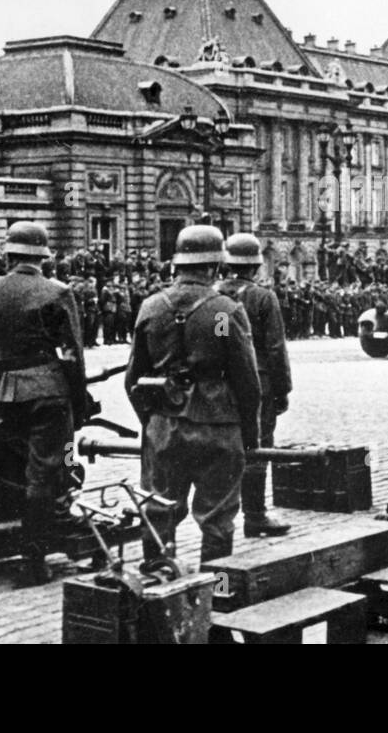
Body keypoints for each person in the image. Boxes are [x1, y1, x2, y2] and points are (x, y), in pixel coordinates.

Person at [125, 225, 260, 568]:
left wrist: (152, 421)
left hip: (164, 426)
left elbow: (132, 378)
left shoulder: (151, 307)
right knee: (218, 517)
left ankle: (156, 585)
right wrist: (250, 435)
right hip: (219, 426)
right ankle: (218, 593)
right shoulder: (223, 311)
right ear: (215, 266)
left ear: (177, 265)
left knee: (157, 509)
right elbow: (246, 379)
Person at [0, 221, 87, 587]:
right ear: (43, 258)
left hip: (6, 393)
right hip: (49, 391)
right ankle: (34, 562)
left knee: (15, 465)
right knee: (43, 474)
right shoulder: (58, 291)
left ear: (9, 255)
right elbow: (74, 355)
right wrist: (77, 405)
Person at [216, 232, 292, 537]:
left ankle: (225, 514)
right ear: (256, 266)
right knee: (257, 446)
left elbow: (219, 337)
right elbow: (275, 346)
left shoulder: (216, 296)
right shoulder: (263, 297)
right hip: (259, 382)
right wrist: (283, 388)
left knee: (227, 447)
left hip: (223, 383)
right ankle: (255, 514)